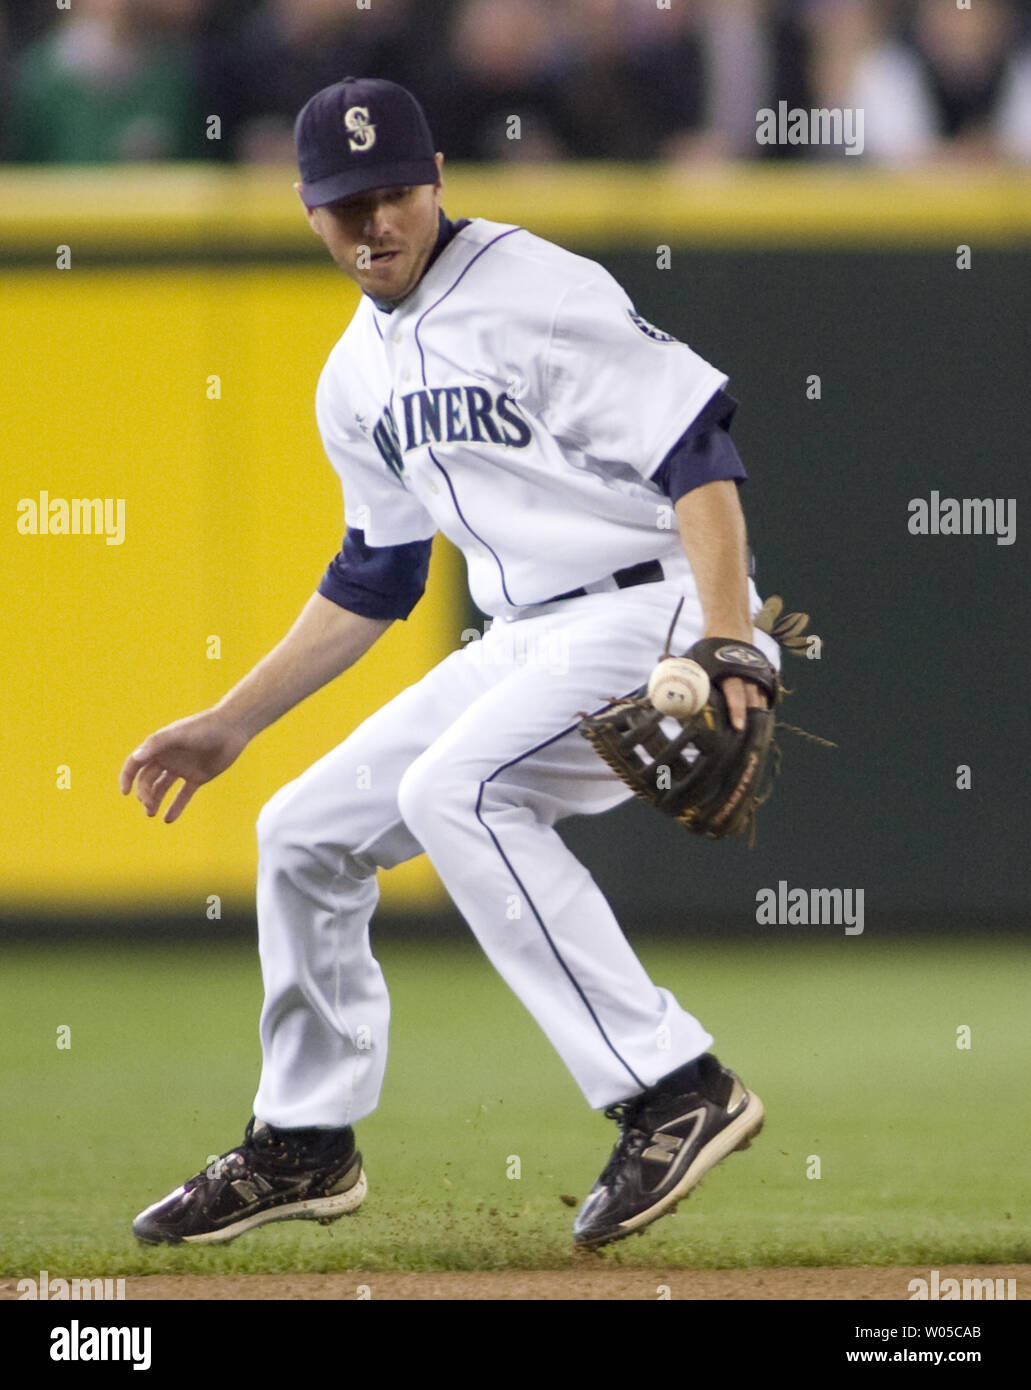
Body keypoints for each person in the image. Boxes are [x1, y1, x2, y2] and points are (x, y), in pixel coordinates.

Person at [122, 76, 776, 1252]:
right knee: (300, 830)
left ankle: (673, 1087)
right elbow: (375, 578)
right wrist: (230, 720)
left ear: (435, 184)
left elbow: (698, 451)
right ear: (305, 207)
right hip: (526, 634)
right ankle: (305, 1141)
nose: (372, 223)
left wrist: (727, 636)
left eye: (392, 194)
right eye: (343, 203)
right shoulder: (351, 376)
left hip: (655, 608)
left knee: (455, 789)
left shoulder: (536, 290)